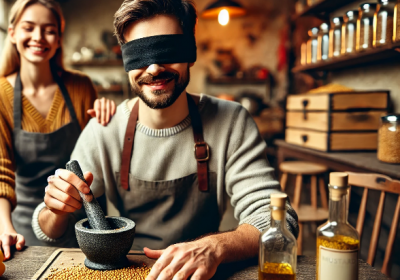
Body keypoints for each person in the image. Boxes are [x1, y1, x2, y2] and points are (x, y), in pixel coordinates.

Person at [34, 0, 299, 279]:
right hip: (128, 272)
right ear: (126, 61)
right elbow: (52, 231)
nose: (154, 67)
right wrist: (55, 210)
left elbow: (278, 221)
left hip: (207, 272)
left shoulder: (232, 122)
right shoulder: (104, 128)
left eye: (167, 49)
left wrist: (214, 246)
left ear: (191, 53)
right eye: (139, 54)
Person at [0, 0, 116, 260]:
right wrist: (4, 227)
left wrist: (107, 115)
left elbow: (99, 149)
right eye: (29, 27)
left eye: (49, 30)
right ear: (13, 32)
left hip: (85, 225)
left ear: (59, 38)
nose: (38, 37)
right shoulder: (1, 95)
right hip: (25, 232)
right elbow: (1, 169)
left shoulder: (81, 86)